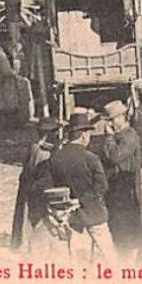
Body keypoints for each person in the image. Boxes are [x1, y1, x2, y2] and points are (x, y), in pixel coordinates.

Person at [47, 109, 115, 260]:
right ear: (84, 135)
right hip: (94, 213)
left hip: (71, 215)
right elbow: (102, 187)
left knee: (78, 256)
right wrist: (83, 200)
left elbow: (53, 186)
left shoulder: (55, 157)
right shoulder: (91, 158)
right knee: (108, 254)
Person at [100, 100, 142, 257]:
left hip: (126, 192)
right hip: (115, 190)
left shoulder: (130, 136)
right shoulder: (120, 136)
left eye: (112, 119)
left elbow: (114, 157)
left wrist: (109, 138)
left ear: (122, 117)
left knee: (125, 230)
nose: (109, 123)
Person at [12, 118, 61, 249]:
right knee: (35, 217)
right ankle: (30, 244)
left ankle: (24, 241)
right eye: (55, 132)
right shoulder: (43, 151)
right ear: (48, 133)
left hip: (28, 185)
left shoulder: (35, 146)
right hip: (35, 187)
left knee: (26, 215)